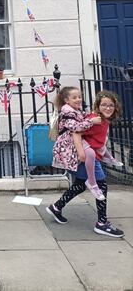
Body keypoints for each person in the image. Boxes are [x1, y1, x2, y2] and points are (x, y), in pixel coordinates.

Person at [46, 88, 124, 238]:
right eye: (104, 105)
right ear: (97, 106)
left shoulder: (102, 120)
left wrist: (107, 156)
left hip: (91, 157)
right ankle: (102, 223)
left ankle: (57, 207)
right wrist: (82, 152)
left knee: (81, 184)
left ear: (115, 107)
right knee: (101, 186)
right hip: (83, 157)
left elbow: (99, 142)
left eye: (111, 105)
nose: (107, 108)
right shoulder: (94, 119)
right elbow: (76, 132)